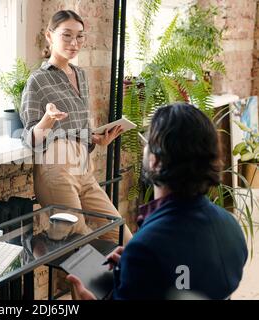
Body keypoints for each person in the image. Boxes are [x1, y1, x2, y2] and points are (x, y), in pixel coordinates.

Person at [67, 103, 248, 300]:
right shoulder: (232, 228)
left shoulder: (146, 248)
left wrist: (140, 262)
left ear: (155, 160)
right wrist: (135, 269)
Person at [20, 10, 132, 245]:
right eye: (67, 35)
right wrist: (48, 120)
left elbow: (78, 129)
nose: (74, 42)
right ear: (50, 36)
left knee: (122, 237)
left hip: (84, 170)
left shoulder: (80, 74)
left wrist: (97, 139)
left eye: (80, 36)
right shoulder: (38, 81)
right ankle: (81, 283)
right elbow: (30, 138)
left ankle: (114, 282)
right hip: (56, 170)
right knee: (79, 243)